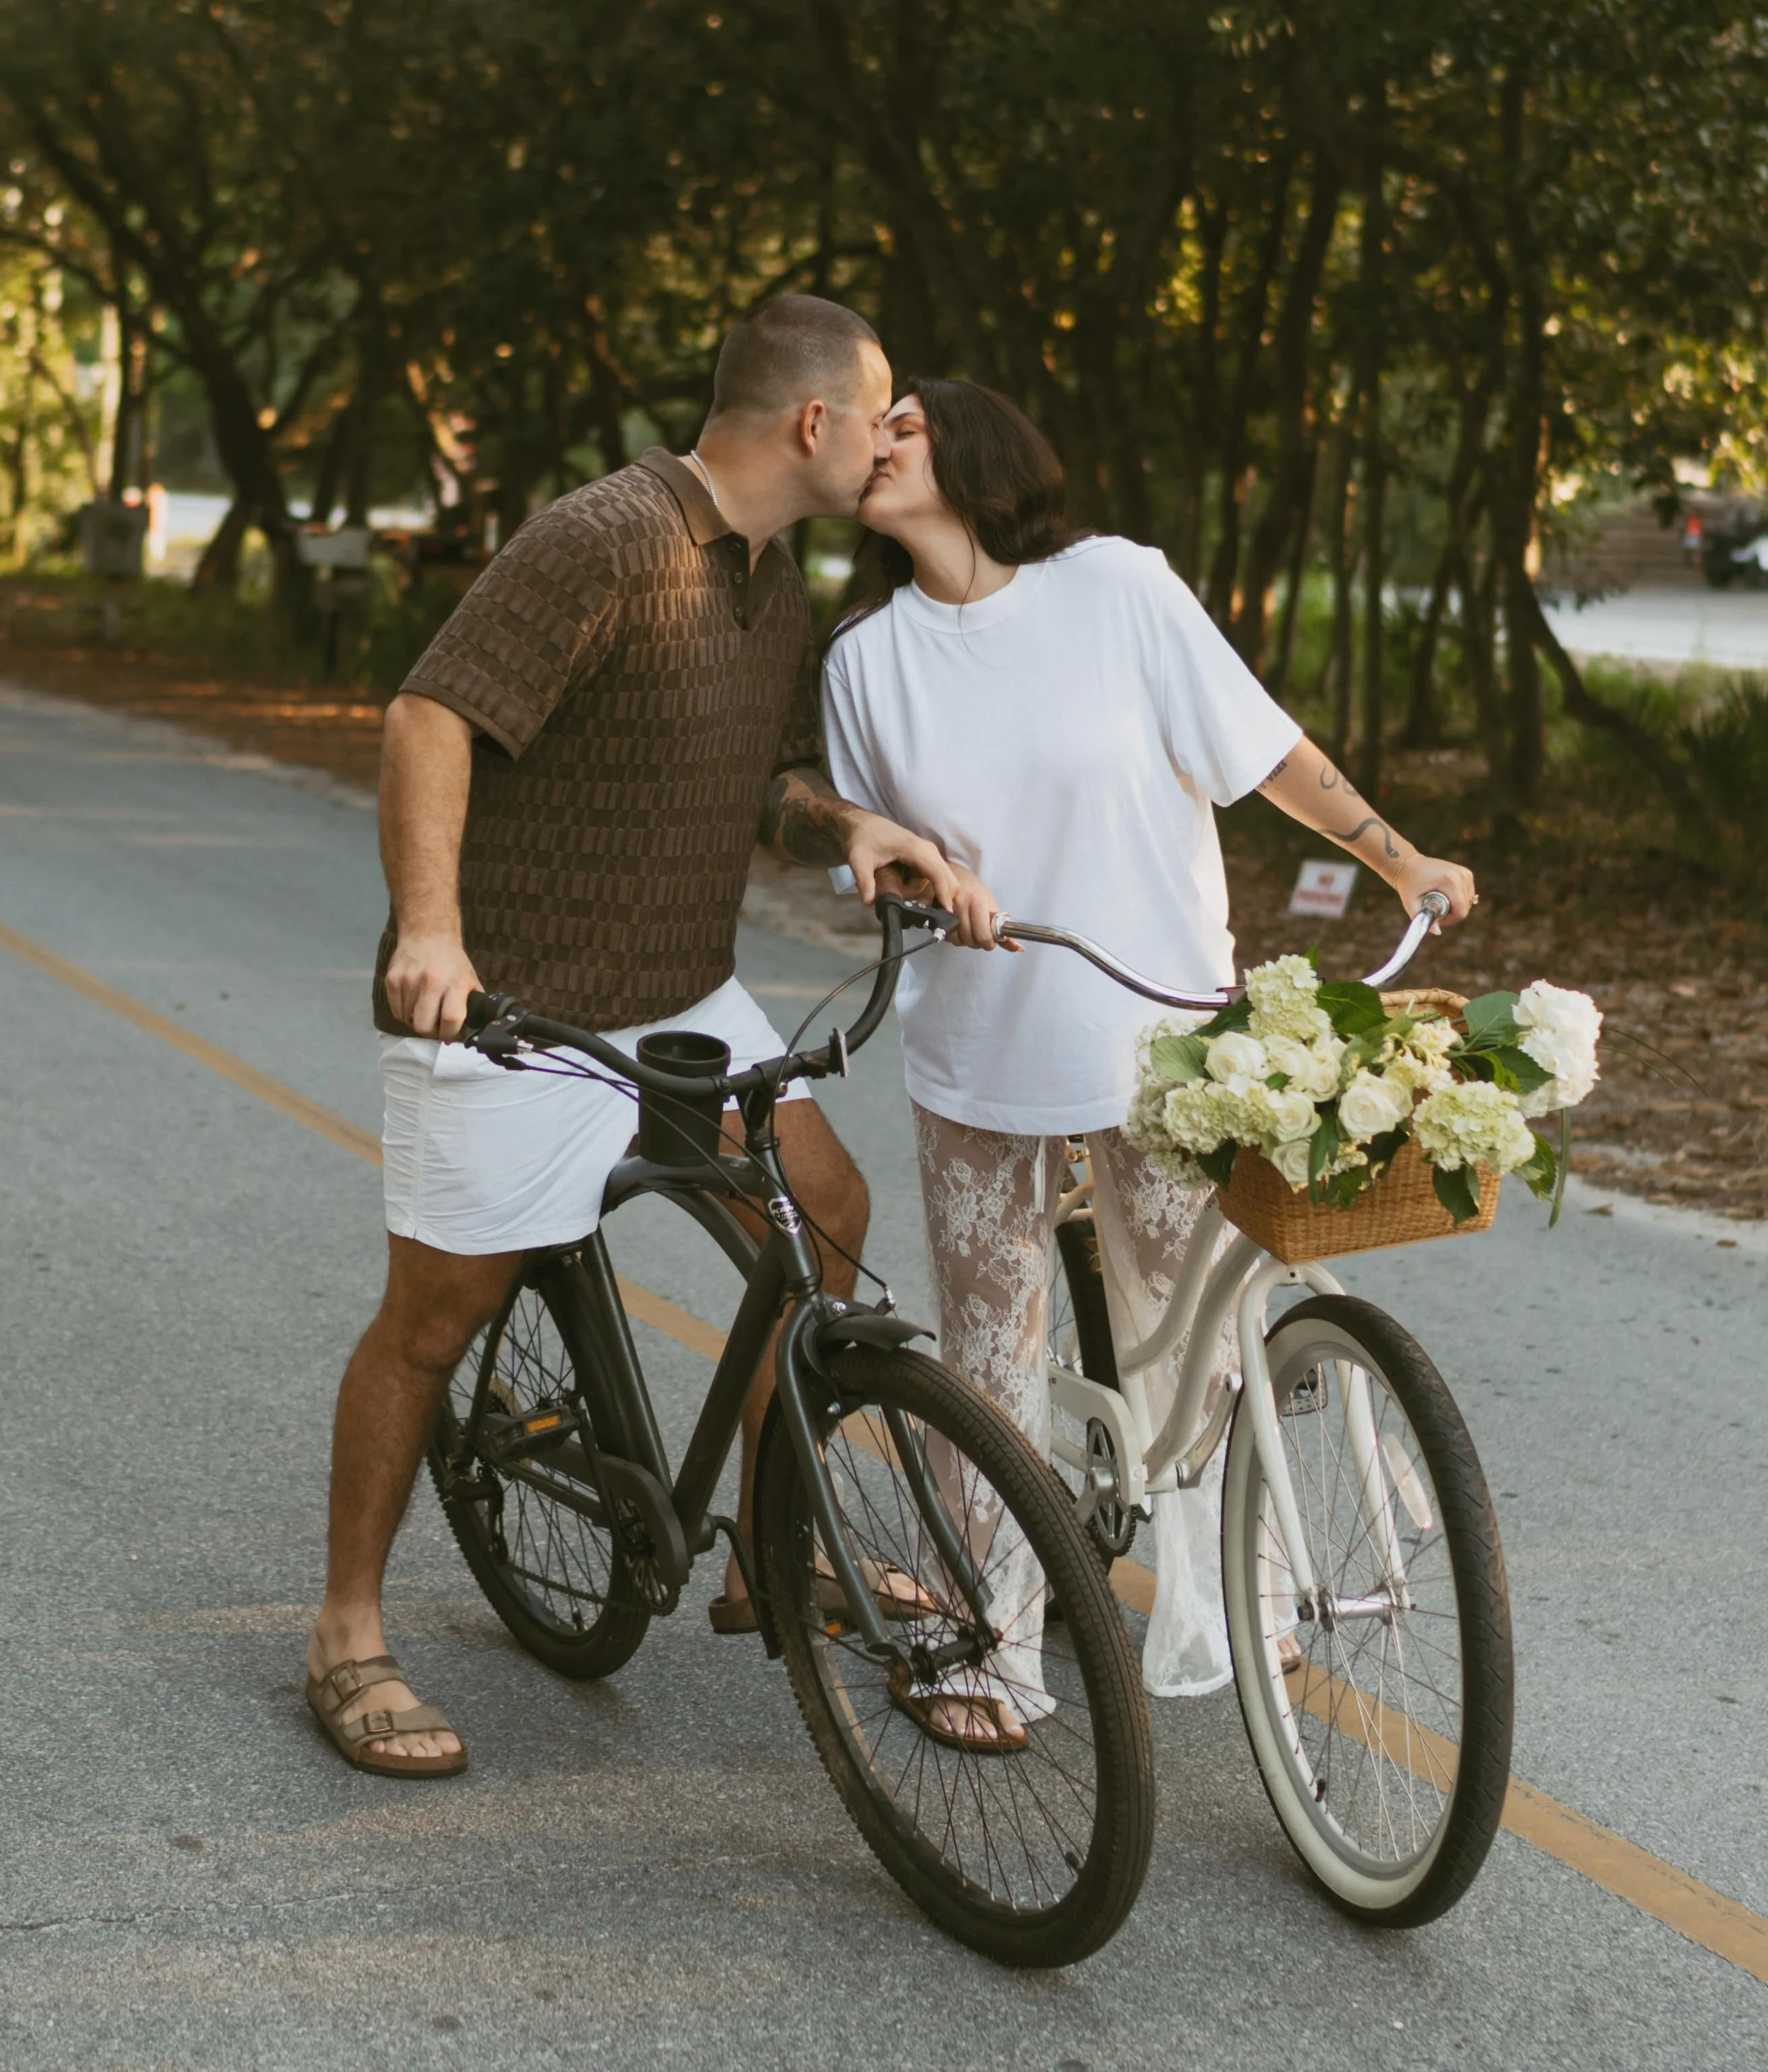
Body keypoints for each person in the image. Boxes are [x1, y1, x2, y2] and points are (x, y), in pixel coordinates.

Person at [305, 296, 964, 1777]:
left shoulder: (770, 572)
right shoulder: (607, 537)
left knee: (828, 1211)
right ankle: (344, 1631)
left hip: (679, 999)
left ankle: (767, 1550)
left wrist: (850, 825)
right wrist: (431, 929)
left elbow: (764, 779)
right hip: (515, 1007)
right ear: (814, 425)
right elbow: (430, 714)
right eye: (877, 415)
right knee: (434, 1319)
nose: (888, 440)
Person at [820, 378, 1477, 1733]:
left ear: (979, 446)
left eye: (906, 424)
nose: (876, 444)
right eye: (863, 430)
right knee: (990, 1352)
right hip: (977, 1047)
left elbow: (1268, 752)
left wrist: (1397, 855)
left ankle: (1248, 1598)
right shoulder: (863, 660)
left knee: (1196, 1341)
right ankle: (993, 1640)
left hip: (1163, 1040)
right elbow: (871, 851)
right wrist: (920, 876)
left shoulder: (1117, 589)